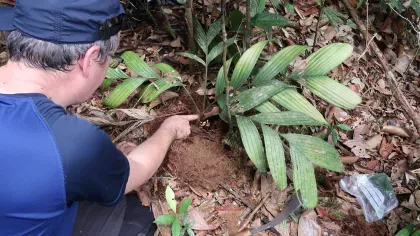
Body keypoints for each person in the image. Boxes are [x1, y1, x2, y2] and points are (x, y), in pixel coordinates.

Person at [0, 0, 197, 235]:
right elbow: (134, 170)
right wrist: (168, 130)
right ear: (89, 58)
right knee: (138, 215)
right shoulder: (70, 144)